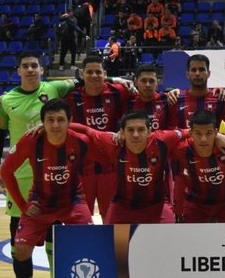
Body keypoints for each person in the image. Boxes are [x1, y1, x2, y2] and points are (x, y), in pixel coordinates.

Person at [0, 51, 80, 278]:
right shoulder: (6, 100)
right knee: (16, 233)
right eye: (25, 66)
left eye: (34, 66)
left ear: (42, 70)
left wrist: (120, 81)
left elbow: (87, 79)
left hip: (51, 173)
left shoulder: (54, 87)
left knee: (54, 230)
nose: (30, 70)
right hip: (19, 177)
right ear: (18, 71)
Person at [0, 99, 93, 278]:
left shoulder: (81, 141)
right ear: (41, 123)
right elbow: (6, 171)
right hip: (40, 203)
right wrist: (23, 206)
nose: (55, 125)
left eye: (61, 120)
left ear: (70, 121)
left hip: (72, 201)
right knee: (21, 250)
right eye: (50, 120)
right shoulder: (31, 141)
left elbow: (97, 159)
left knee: (91, 242)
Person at [69, 111, 183, 224]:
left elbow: (189, 131)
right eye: (130, 130)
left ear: (149, 131)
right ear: (122, 132)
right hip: (122, 206)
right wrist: (58, 126)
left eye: (141, 130)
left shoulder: (162, 139)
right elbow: (87, 130)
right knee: (117, 242)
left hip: (157, 205)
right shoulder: (112, 142)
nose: (135, 135)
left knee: (167, 239)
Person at [64, 56, 135, 221]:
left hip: (110, 167)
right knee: (78, 219)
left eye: (98, 72)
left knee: (111, 217)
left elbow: (146, 94)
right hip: (81, 167)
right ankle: (81, 247)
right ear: (82, 74)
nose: (94, 75)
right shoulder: (70, 95)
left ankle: (114, 248)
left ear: (105, 73)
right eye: (90, 72)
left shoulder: (119, 91)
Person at [172, 109, 225, 223]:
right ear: (190, 133)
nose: (203, 139)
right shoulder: (181, 149)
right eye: (198, 133)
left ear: (216, 132)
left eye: (208, 133)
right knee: (189, 239)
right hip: (196, 204)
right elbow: (155, 138)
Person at [168, 54, 225, 129]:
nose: (197, 73)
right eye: (193, 70)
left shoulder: (220, 99)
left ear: (209, 73)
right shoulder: (176, 99)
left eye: (201, 69)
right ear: (187, 74)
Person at [130, 64, 171, 131]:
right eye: (143, 81)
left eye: (152, 81)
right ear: (136, 82)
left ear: (158, 82)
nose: (148, 85)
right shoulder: (127, 101)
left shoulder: (168, 99)